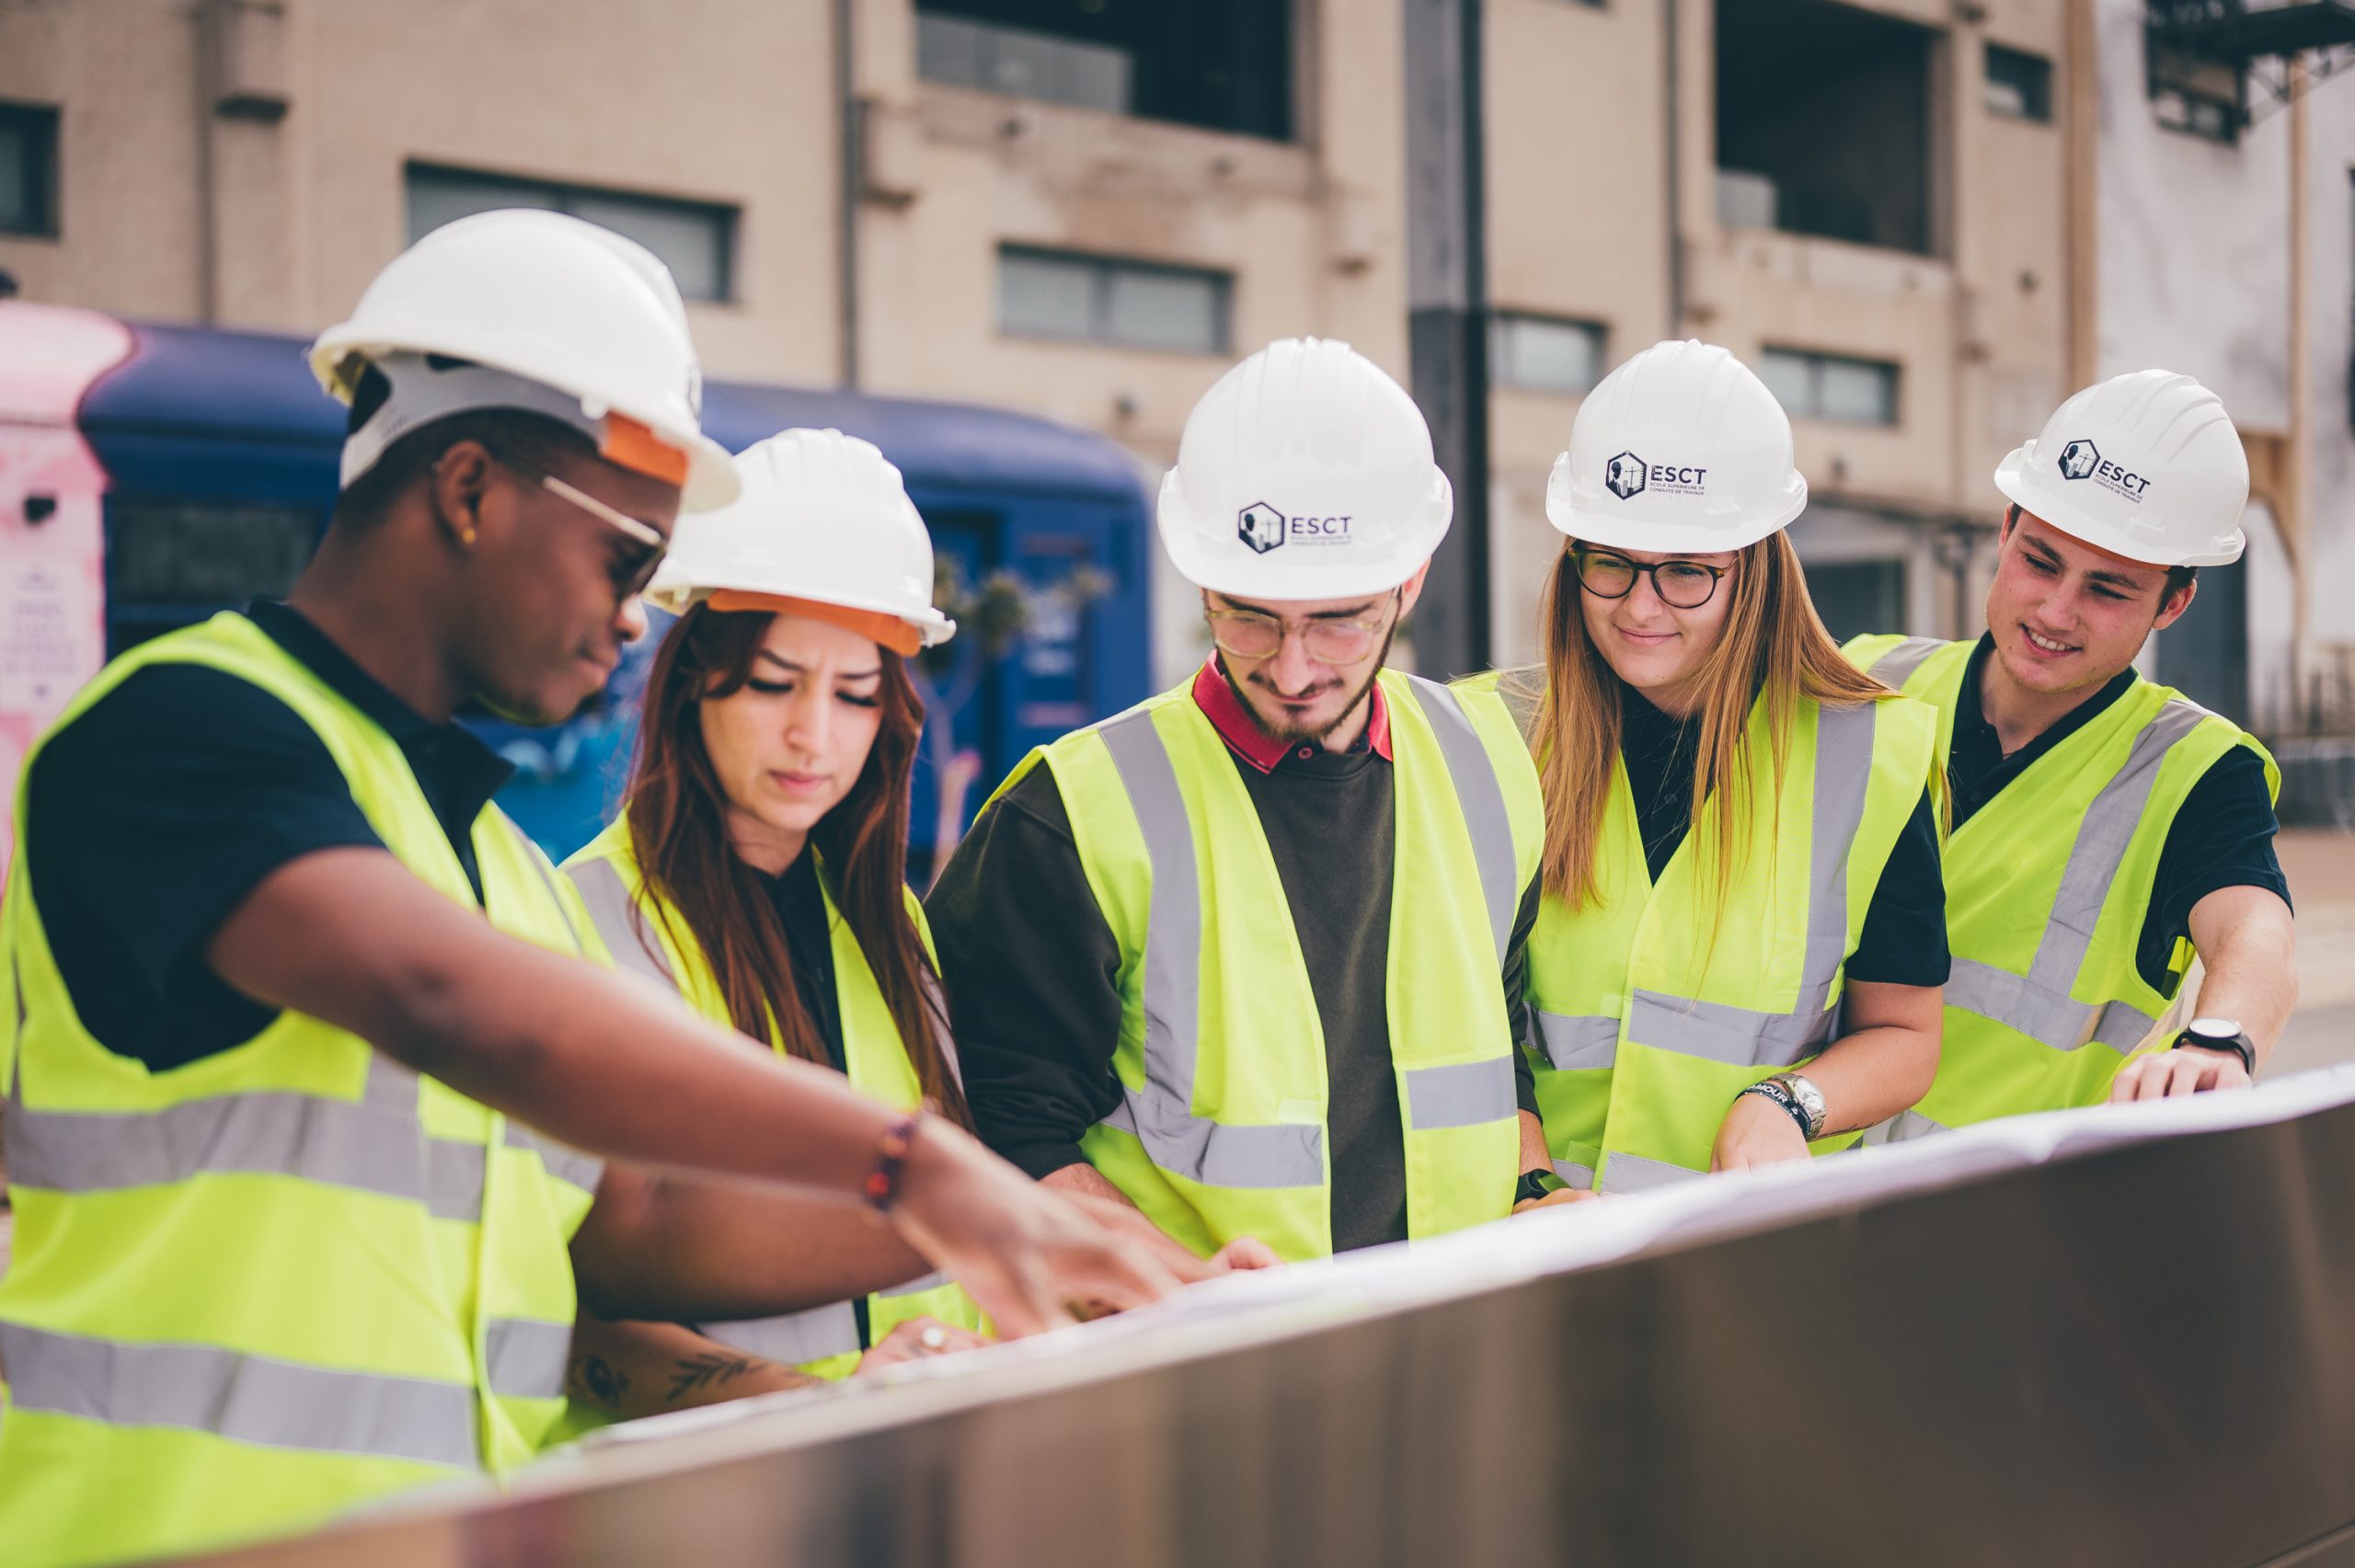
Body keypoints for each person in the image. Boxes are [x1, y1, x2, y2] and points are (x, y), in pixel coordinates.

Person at [0, 211, 1197, 1568]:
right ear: (468, 487)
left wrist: (1016, 1228)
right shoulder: (179, 734)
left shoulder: (491, 864)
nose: (637, 616)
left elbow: (631, 1223)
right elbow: (450, 1004)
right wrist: (908, 1161)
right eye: (629, 557)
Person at [929, 337, 1570, 1266]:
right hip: (1203, 1340)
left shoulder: (1492, 763)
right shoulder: (1069, 814)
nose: (1293, 668)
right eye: (1249, 617)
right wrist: (1179, 1286)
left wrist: (1533, 1185)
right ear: (1204, 582)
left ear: (1410, 580)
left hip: (1449, 1319)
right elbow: (1002, 1125)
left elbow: (1495, 1041)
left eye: (1337, 621)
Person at [557, 427, 989, 1416]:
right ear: (694, 681)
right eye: (772, 682)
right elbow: (564, 1303)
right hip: (719, 1479)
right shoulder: (585, 921)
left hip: (912, 1455)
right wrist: (814, 1407)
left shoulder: (888, 924)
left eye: (855, 695)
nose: (813, 736)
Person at [1461, 339, 1947, 1193]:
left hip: (1746, 1248)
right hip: (1543, 1241)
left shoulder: (1871, 758)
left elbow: (1905, 1033)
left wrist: (1789, 1102)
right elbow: (1464, 1023)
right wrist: (1533, 1188)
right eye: (1611, 562)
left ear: (1753, 571)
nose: (1640, 607)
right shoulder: (1492, 736)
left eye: (1686, 571)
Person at [1845, 370, 2296, 1133]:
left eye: (2108, 590)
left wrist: (2220, 1041)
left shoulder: (2196, 770)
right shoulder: (1861, 681)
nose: (2056, 612)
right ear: (2006, 529)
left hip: (1996, 1200)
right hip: (1786, 1177)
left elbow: (2255, 931)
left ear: (2174, 602)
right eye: (2041, 561)